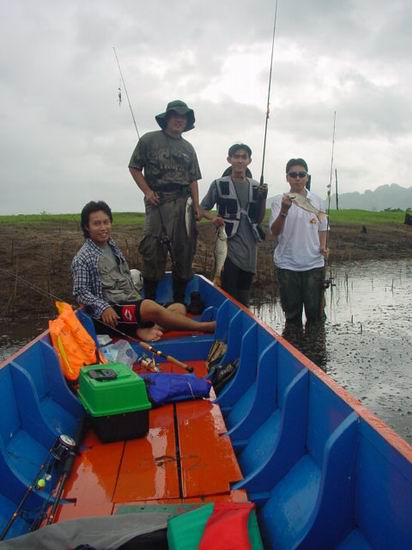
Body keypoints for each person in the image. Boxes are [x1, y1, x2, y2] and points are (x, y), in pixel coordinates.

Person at [71, 201, 215, 341]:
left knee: (178, 307)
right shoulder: (83, 258)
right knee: (148, 306)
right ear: (87, 227)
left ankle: (146, 330)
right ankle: (203, 326)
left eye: (106, 222)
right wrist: (103, 307)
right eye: (97, 224)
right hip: (110, 312)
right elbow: (80, 292)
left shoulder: (111, 245)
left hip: (129, 302)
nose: (103, 227)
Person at [128, 100, 201, 304]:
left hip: (183, 203)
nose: (179, 120)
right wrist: (148, 191)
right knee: (152, 249)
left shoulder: (188, 148)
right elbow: (134, 167)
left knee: (184, 251)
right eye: (175, 116)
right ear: (167, 118)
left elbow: (193, 179)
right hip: (157, 202)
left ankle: (178, 302)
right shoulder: (149, 140)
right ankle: (150, 303)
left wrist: (196, 206)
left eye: (183, 117)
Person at [200, 144, 268, 307]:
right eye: (236, 157)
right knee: (229, 293)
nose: (240, 160)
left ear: (249, 161)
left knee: (244, 295)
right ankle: (226, 326)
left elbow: (258, 219)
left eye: (244, 157)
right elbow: (201, 209)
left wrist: (263, 198)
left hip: (250, 248)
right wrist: (213, 218)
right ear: (229, 160)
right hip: (227, 246)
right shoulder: (218, 184)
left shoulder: (256, 185)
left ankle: (242, 326)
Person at [269, 158, 328, 328]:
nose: (297, 178)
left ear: (307, 177)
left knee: (315, 316)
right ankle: (292, 349)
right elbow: (274, 232)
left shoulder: (317, 201)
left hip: (314, 264)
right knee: (292, 316)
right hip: (287, 265)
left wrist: (323, 246)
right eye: (293, 174)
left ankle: (315, 351)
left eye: (301, 174)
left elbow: (323, 227)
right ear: (287, 178)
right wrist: (284, 211)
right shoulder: (279, 202)